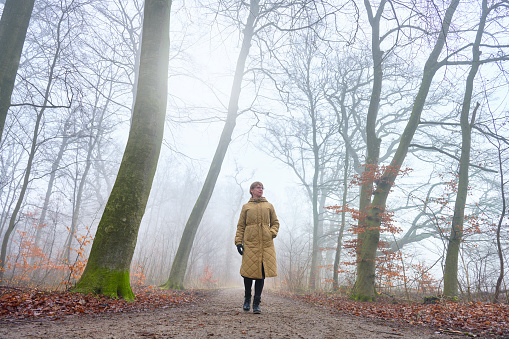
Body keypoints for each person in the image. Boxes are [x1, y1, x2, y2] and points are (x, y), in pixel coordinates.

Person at [235, 181, 279, 314]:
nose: (261, 190)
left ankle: (257, 303)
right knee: (247, 274)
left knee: (261, 273)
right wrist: (238, 242)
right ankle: (247, 299)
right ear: (251, 190)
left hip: (265, 244)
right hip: (250, 243)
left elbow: (275, 223)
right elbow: (241, 226)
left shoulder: (269, 206)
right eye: (258, 188)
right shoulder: (246, 207)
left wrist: (271, 233)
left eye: (262, 188)